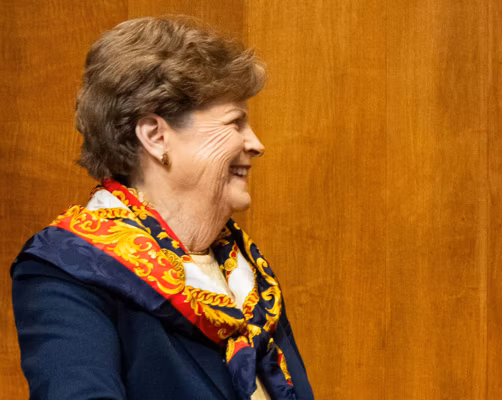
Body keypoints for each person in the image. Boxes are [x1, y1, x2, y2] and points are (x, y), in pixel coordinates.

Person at [10, 16, 313, 400]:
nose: (255, 144)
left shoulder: (245, 272)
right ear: (156, 136)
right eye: (236, 123)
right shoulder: (70, 270)